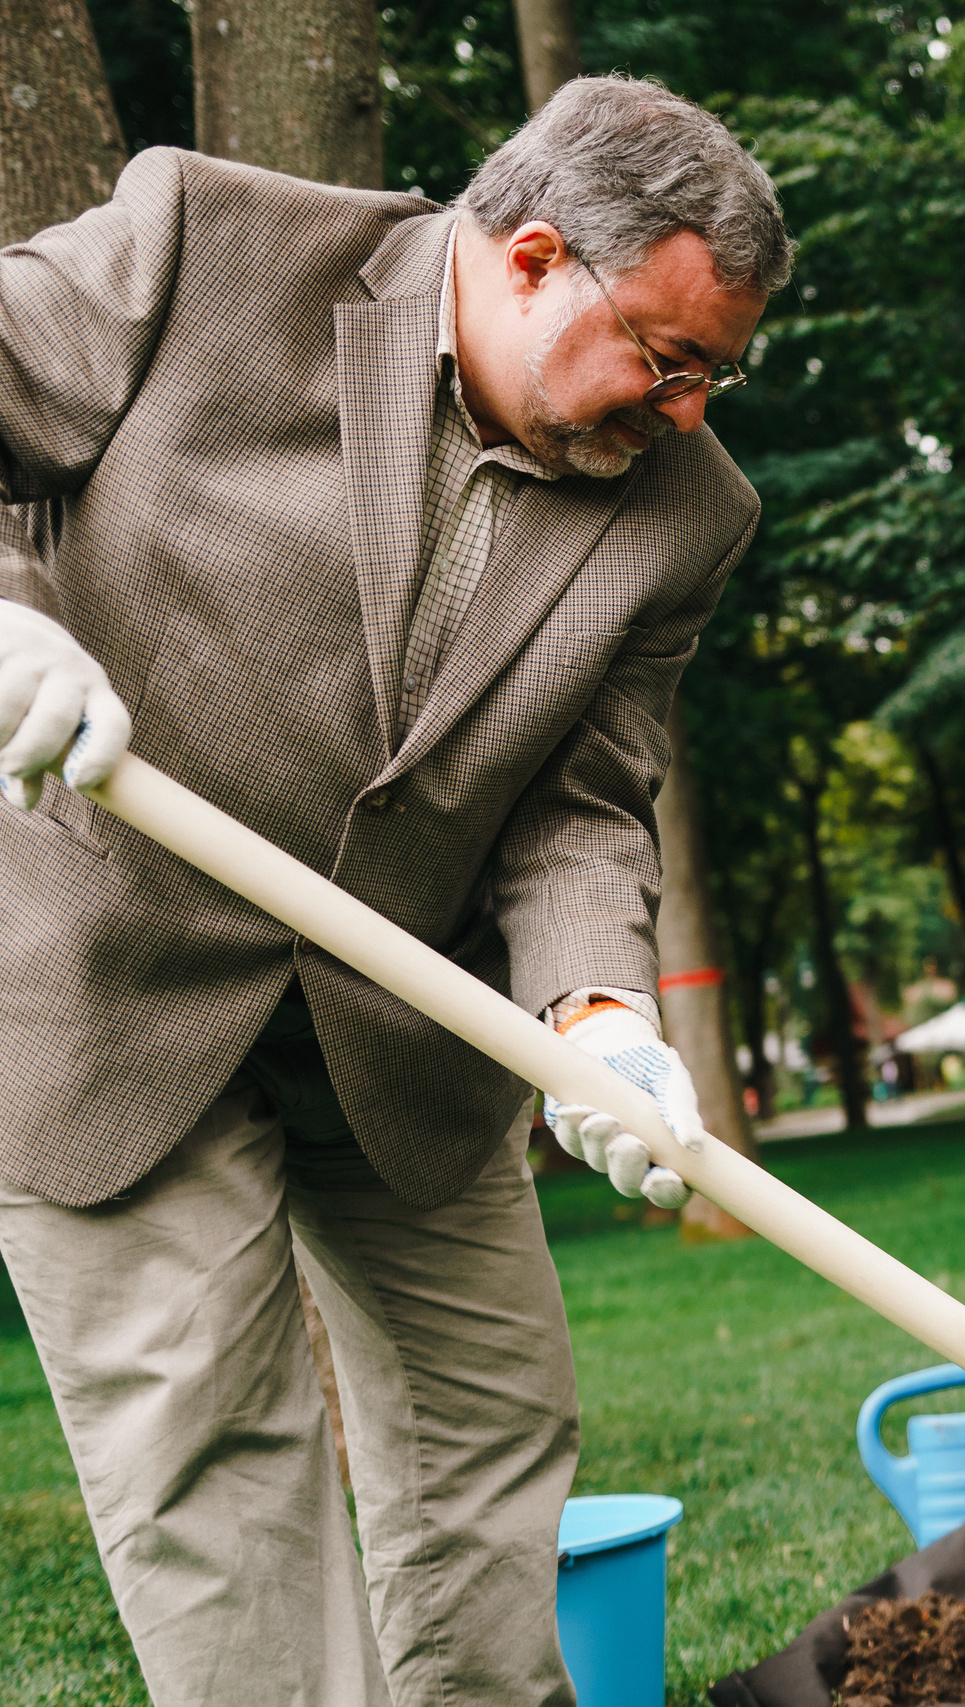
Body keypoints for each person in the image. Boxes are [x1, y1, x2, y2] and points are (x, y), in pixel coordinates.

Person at [0, 78, 788, 1704]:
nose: (694, 410)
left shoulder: (687, 514)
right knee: (216, 1450)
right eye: (672, 356)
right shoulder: (203, 244)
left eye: (720, 374)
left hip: (400, 1020)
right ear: (536, 260)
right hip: (99, 966)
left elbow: (582, 801)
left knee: (496, 1412)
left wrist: (599, 1014)